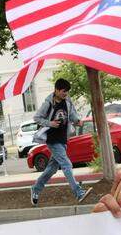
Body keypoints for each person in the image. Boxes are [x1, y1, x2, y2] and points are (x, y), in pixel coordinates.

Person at [30, 78, 87, 207]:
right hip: (52, 139)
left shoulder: (67, 101)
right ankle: (78, 192)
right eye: (63, 92)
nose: (65, 94)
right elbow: (37, 118)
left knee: (52, 168)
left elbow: (71, 115)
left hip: (63, 139)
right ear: (56, 89)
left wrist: (77, 121)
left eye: (66, 92)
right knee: (67, 164)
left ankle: (36, 188)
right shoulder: (49, 103)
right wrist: (50, 123)